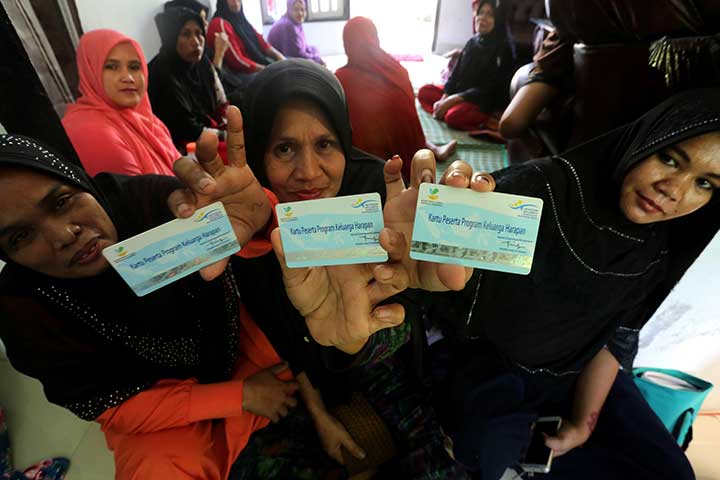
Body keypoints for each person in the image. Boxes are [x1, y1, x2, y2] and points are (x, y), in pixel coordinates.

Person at [428, 88, 720, 479]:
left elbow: (618, 335)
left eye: (704, 183)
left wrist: (584, 423)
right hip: (486, 359)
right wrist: (432, 229)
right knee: (485, 453)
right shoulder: (540, 191)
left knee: (670, 471)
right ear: (644, 139)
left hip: (576, 368)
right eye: (669, 158)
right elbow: (436, 284)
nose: (674, 189)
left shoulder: (660, 246)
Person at [235, 58, 483, 479]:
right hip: (301, 380)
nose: (308, 172)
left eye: (325, 145)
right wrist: (319, 414)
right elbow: (279, 332)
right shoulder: (252, 219)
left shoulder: (377, 192)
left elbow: (403, 324)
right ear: (260, 151)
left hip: (382, 364)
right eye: (284, 149)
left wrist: (353, 339)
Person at [335, 17, 456, 179]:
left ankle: (429, 148)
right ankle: (431, 149)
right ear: (375, 38)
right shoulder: (395, 68)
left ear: (347, 44)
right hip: (411, 156)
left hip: (370, 166)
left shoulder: (341, 79)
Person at [62, 29, 181, 176]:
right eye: (112, 67)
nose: (128, 78)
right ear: (91, 70)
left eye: (134, 67)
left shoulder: (147, 121)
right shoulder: (90, 132)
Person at [418, 0, 515, 131]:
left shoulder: (503, 48)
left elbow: (488, 90)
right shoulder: (472, 42)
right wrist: (444, 98)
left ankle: (485, 120)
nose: (482, 18)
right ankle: (445, 110)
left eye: (490, 15)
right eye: (480, 13)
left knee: (454, 116)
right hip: (460, 94)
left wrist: (453, 100)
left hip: (480, 100)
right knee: (425, 92)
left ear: (498, 20)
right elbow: (455, 74)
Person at [148, 5, 229, 153]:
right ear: (171, 37)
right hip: (181, 148)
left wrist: (229, 127)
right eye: (186, 34)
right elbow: (188, 130)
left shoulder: (202, 64)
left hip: (209, 133)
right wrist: (227, 136)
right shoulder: (161, 74)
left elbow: (221, 103)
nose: (196, 41)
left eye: (199, 33)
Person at [207, 0, 285, 75]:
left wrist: (280, 57)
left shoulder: (240, 18)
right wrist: (268, 70)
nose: (236, 3)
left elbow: (261, 41)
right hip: (239, 73)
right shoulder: (219, 23)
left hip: (256, 65)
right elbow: (237, 60)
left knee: (288, 65)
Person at [267, 0, 324, 65]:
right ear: (289, 10)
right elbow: (296, 55)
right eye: (296, 10)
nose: (300, 13)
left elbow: (303, 47)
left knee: (314, 49)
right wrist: (317, 59)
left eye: (302, 9)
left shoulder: (295, 22)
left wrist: (315, 56)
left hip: (292, 56)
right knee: (313, 62)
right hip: (281, 61)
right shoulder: (288, 26)